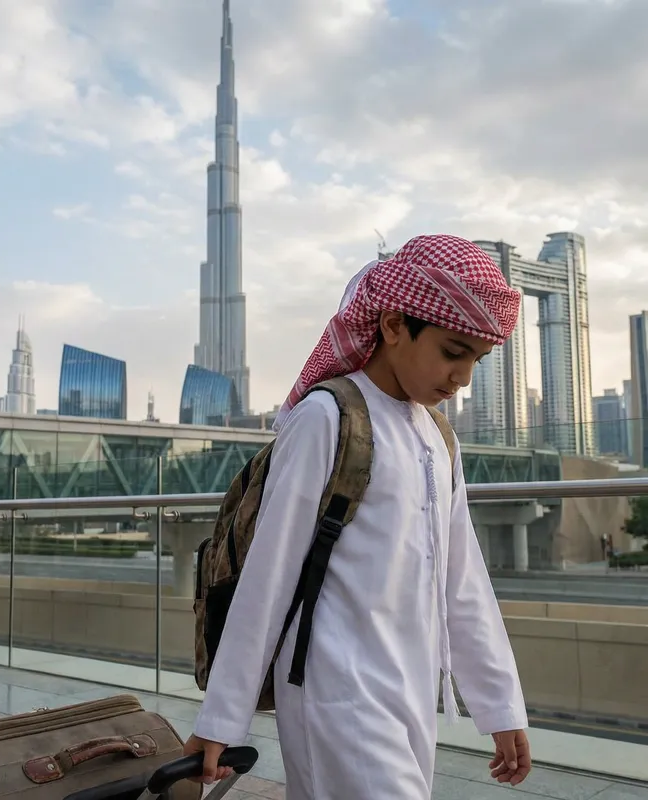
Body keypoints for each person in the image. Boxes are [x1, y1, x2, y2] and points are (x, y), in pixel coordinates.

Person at [184, 234, 532, 798]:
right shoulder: (326, 417)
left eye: (476, 358)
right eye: (452, 351)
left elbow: (462, 581)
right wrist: (222, 717)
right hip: (334, 687)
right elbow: (268, 578)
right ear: (394, 325)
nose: (463, 376)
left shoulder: (438, 435)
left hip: (412, 688)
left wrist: (499, 703)